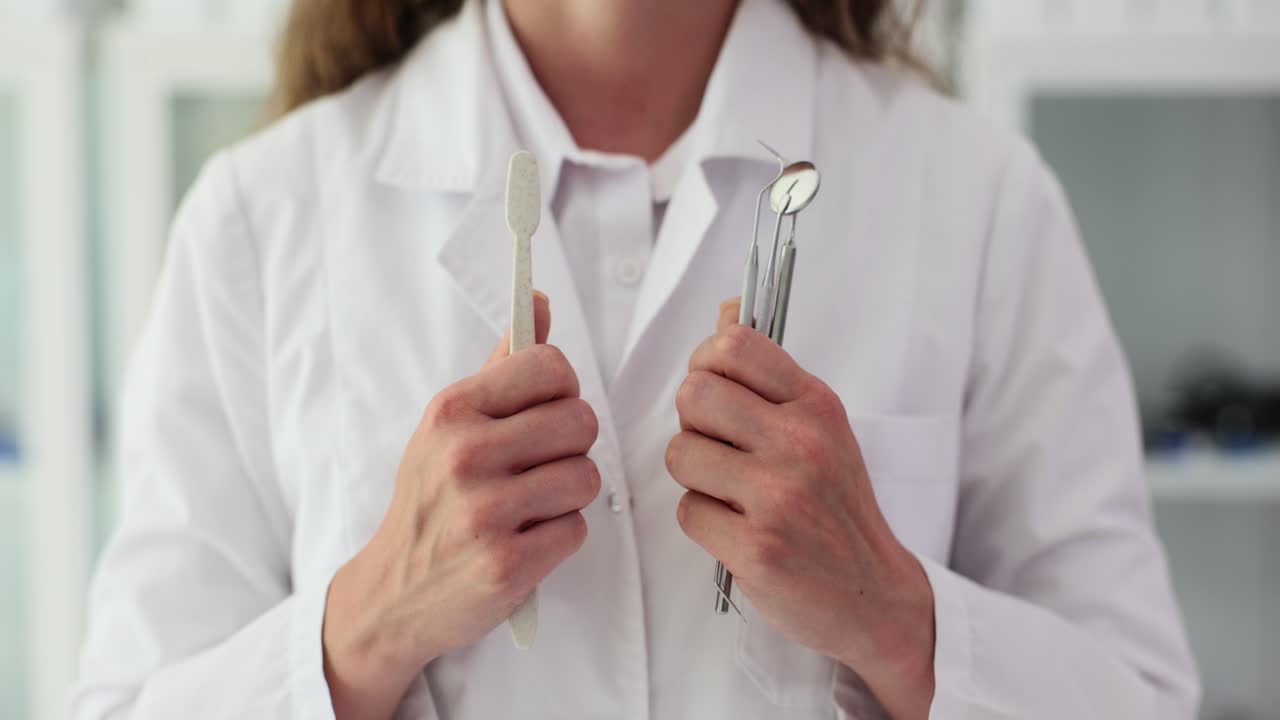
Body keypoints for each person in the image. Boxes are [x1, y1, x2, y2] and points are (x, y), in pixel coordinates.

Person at [71, 0, 1201, 717]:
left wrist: (897, 618)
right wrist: (363, 629)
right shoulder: (259, 219)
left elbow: (1142, 701)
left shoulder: (977, 200)